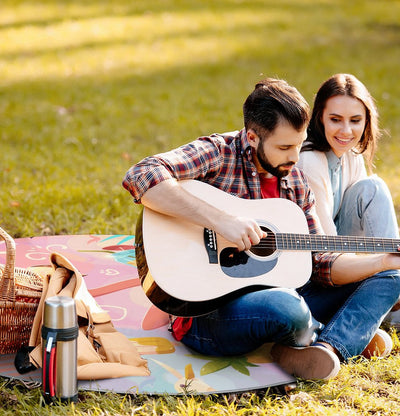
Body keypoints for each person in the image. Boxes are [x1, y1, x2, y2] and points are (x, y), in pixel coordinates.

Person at [123, 78, 400, 381]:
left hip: (286, 294)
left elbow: (321, 261)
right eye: (284, 147)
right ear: (253, 137)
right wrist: (220, 220)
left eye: (299, 144)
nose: (295, 158)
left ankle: (329, 347)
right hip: (207, 312)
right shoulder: (219, 152)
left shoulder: (294, 180)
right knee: (287, 309)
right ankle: (339, 331)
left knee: (391, 277)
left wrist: (381, 261)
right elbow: (142, 174)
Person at [297, 73, 400, 332]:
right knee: (373, 187)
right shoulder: (310, 160)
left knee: (371, 187)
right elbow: (326, 249)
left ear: (366, 121)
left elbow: (367, 223)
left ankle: (391, 288)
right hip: (316, 268)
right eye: (335, 120)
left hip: (343, 254)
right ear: (319, 117)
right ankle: (389, 293)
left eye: (355, 121)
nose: (346, 131)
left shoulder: (350, 155)